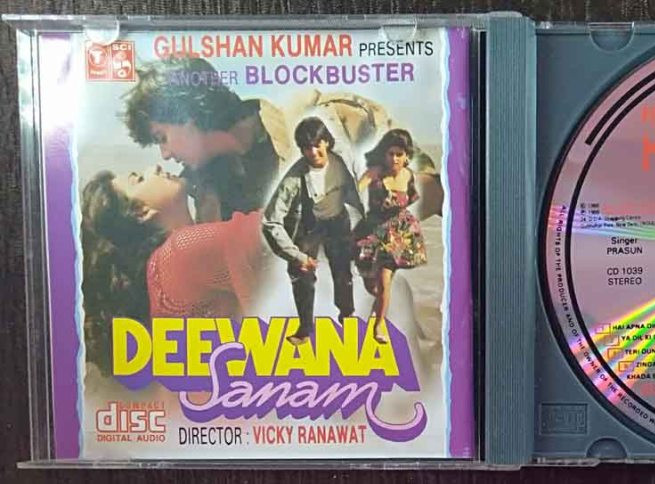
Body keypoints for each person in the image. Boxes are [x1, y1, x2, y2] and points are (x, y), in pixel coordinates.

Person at [80, 165, 264, 374]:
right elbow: (279, 229)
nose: (155, 167)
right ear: (141, 212)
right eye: (139, 178)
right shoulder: (181, 250)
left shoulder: (166, 269)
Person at [121, 57, 283, 222]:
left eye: (162, 138)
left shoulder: (289, 126)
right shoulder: (204, 187)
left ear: (186, 113)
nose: (165, 155)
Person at [262, 117, 365, 345]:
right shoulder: (293, 179)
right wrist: (296, 256)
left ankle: (347, 316)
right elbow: (270, 221)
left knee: (343, 272)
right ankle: (305, 329)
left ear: (326, 142)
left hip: (338, 220)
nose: (314, 152)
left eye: (317, 145)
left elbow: (360, 194)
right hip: (309, 224)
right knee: (302, 274)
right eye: (307, 148)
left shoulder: (343, 160)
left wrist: (367, 228)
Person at [355, 129, 429, 344]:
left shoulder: (409, 176)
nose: (395, 159)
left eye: (399, 154)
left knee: (384, 281)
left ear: (407, 156)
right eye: (391, 154)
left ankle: (379, 325)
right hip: (372, 230)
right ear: (384, 154)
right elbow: (355, 189)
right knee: (373, 286)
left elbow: (411, 199)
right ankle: (377, 304)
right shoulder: (375, 172)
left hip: (398, 235)